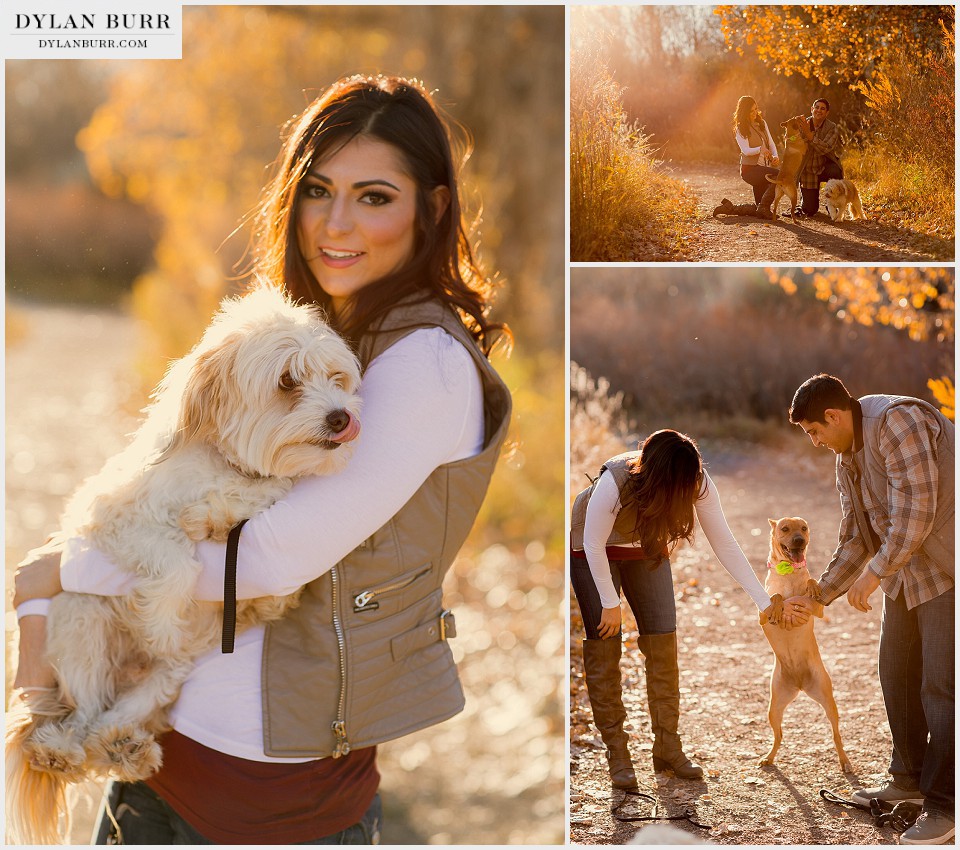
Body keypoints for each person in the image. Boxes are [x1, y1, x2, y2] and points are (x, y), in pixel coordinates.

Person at [13, 73, 513, 844]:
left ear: (433, 207)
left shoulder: (427, 366)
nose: (334, 224)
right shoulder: (326, 334)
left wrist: (68, 571)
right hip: (172, 767)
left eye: (374, 196)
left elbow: (274, 559)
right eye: (318, 190)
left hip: (268, 803)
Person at [785, 374, 954, 845]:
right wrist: (816, 595)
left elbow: (916, 514)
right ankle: (909, 781)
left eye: (815, 432)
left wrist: (875, 572)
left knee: (941, 687)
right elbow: (856, 535)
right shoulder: (847, 457)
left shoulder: (897, 422)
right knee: (895, 672)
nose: (816, 443)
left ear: (835, 417)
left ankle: (945, 806)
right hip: (908, 571)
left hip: (949, 568)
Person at [570, 430, 780, 787]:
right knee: (605, 644)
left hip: (646, 547)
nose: (687, 491)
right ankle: (618, 755)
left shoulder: (694, 477)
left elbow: (724, 541)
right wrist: (610, 603)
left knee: (663, 640)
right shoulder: (615, 481)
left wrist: (762, 598)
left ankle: (667, 747)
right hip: (592, 550)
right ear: (658, 478)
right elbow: (592, 543)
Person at [713, 95, 781, 218]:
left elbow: (771, 143)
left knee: (758, 208)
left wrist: (775, 156)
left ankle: (730, 208)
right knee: (779, 175)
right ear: (744, 112)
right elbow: (745, 150)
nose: (755, 112)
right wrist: (760, 149)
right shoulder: (740, 128)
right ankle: (764, 208)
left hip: (763, 168)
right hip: (750, 170)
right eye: (751, 111)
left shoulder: (762, 124)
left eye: (756, 109)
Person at [794, 98, 844, 217]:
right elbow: (793, 140)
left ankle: (831, 204)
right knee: (810, 210)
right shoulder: (803, 124)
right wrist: (789, 138)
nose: (819, 110)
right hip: (808, 171)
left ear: (827, 113)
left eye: (822, 108)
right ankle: (803, 203)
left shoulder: (832, 127)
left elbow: (825, 148)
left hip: (824, 166)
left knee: (836, 170)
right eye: (816, 107)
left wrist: (810, 137)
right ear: (812, 109)